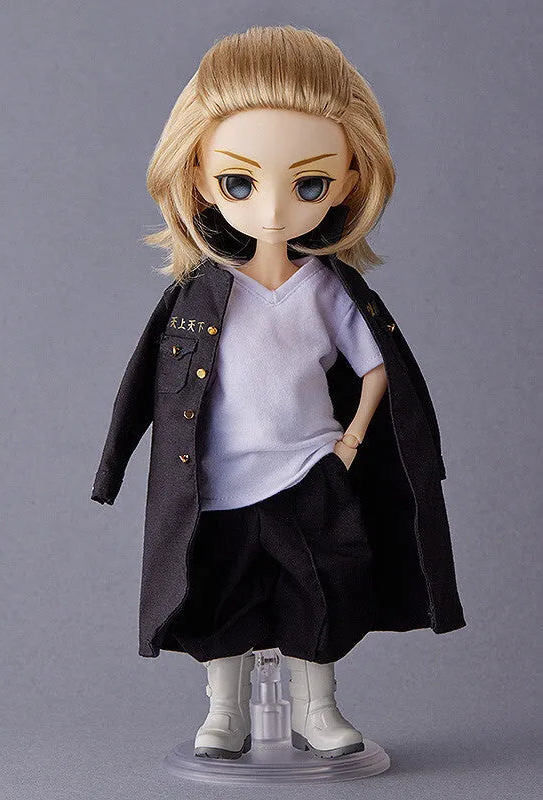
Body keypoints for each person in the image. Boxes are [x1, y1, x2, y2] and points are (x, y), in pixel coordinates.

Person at [91, 25, 466, 761]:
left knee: (320, 593)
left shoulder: (328, 291)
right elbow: (144, 387)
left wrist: (348, 444)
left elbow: (381, 370)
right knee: (219, 598)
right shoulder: (199, 295)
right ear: (198, 177)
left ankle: (319, 709)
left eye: (308, 185)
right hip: (220, 482)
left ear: (350, 180)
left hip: (309, 474)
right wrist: (112, 470)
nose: (271, 212)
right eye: (240, 182)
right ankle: (223, 713)